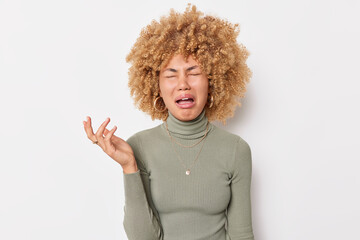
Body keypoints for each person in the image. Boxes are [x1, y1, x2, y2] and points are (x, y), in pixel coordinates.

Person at [83, 4, 254, 240]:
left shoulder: (236, 150)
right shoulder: (139, 147)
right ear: (156, 87)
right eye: (171, 74)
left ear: (213, 81)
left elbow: (242, 234)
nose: (183, 83)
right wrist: (129, 166)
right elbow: (142, 237)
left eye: (194, 73)